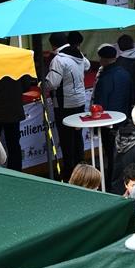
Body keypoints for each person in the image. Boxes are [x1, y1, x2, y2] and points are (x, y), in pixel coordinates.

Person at [46, 31, 90, 180]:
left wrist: (41, 83)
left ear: (53, 45)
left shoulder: (59, 59)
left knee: (66, 139)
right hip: (80, 100)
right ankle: (82, 169)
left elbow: (52, 83)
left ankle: (71, 173)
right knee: (77, 135)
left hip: (64, 104)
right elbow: (87, 66)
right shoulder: (77, 52)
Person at [91, 44, 132, 186]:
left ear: (102, 59)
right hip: (123, 118)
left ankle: (111, 182)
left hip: (108, 122)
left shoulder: (105, 78)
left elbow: (100, 104)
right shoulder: (125, 73)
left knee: (110, 153)